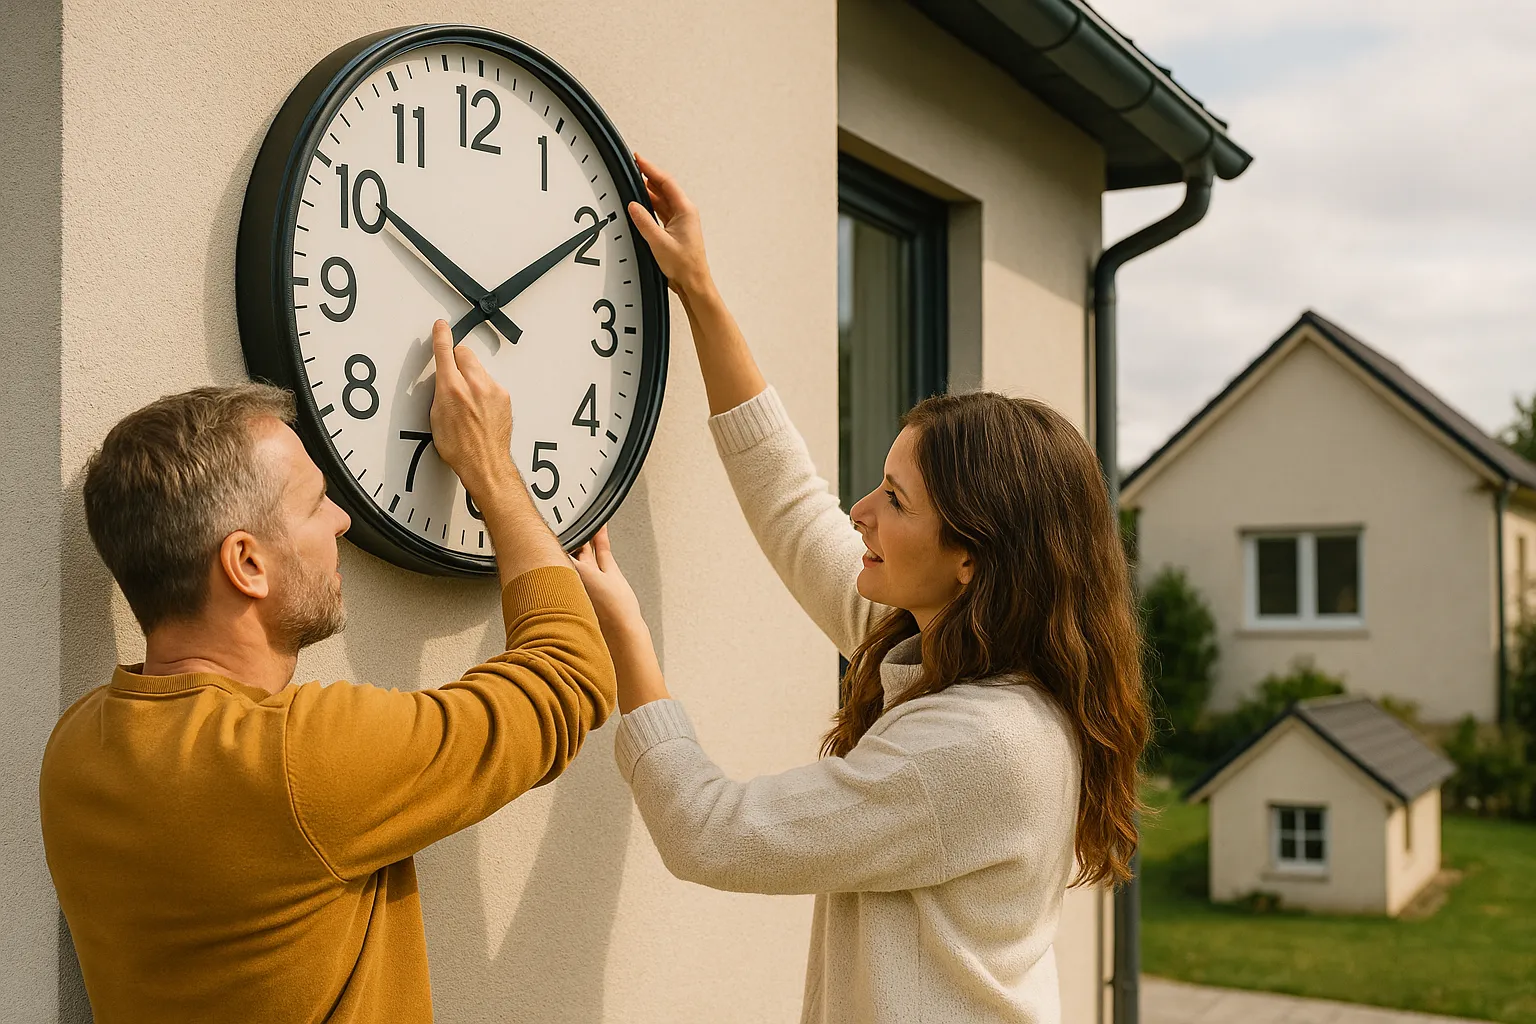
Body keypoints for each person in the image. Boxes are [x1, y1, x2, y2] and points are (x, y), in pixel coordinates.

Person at [569, 158, 1149, 1024]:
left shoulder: (978, 745)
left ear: (973, 559)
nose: (861, 512)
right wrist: (697, 289)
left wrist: (628, 640)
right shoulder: (947, 639)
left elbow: (712, 832)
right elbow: (791, 504)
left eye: (895, 500)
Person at [40, 321, 616, 1023]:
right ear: (247, 564)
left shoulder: (75, 751)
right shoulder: (299, 762)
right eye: (315, 503)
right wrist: (492, 470)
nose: (343, 520)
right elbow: (570, 677)